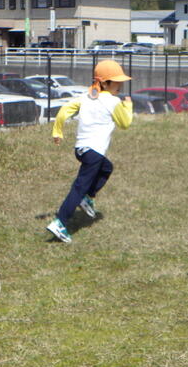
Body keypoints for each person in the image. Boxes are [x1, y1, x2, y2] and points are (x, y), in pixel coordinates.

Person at [46, 59, 134, 243]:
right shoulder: (113, 101)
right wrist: (128, 105)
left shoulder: (85, 97)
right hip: (94, 152)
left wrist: (58, 131)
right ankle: (60, 222)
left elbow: (63, 111)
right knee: (78, 188)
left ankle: (88, 197)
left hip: (81, 150)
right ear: (103, 82)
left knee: (107, 168)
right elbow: (125, 123)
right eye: (116, 81)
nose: (120, 84)